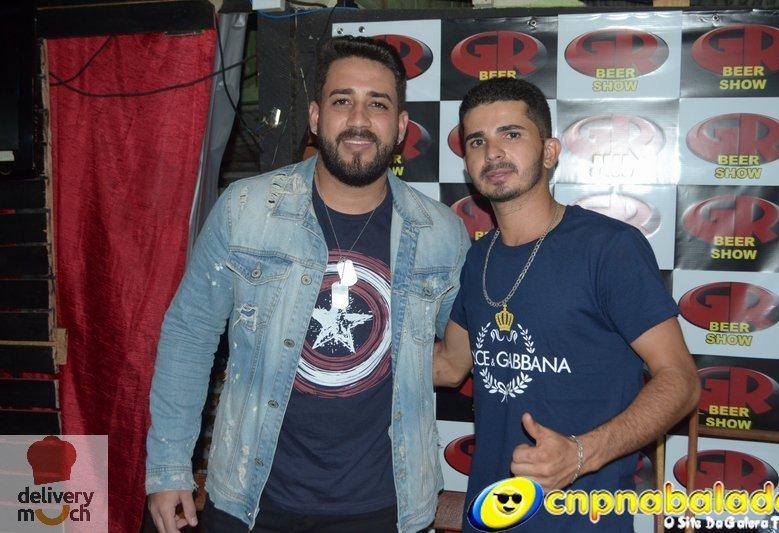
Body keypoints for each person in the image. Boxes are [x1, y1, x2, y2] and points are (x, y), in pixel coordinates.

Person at [146, 36, 470, 533]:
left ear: (401, 126)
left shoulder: (441, 234)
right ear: (316, 117)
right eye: (342, 101)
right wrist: (169, 467)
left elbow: (462, 354)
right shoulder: (246, 210)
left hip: (386, 507)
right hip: (252, 501)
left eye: (377, 104)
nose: (359, 119)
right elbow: (189, 336)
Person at [434, 78, 699, 532]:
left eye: (511, 134)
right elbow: (449, 365)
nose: (493, 152)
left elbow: (681, 381)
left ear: (550, 151)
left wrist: (580, 454)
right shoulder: (479, 257)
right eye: (477, 141)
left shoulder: (608, 248)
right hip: (489, 516)